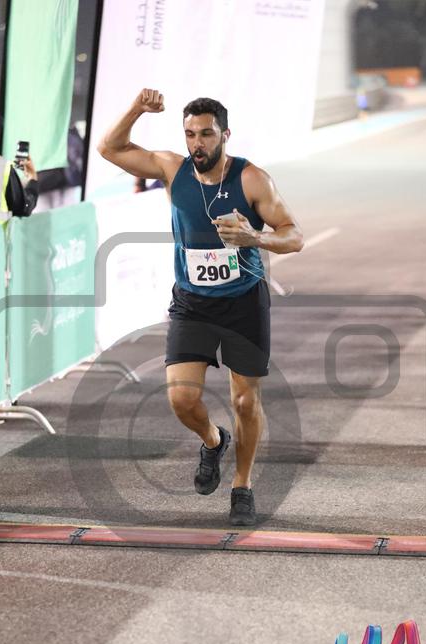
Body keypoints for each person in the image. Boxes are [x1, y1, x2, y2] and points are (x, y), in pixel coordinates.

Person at [98, 89, 303, 526]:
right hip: (192, 302)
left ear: (225, 135)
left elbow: (294, 235)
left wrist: (255, 237)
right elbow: (109, 149)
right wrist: (136, 109)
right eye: (190, 134)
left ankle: (242, 486)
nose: (198, 143)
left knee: (244, 400)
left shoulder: (252, 179)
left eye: (206, 134)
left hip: (243, 302)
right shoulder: (172, 169)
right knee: (181, 399)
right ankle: (213, 440)